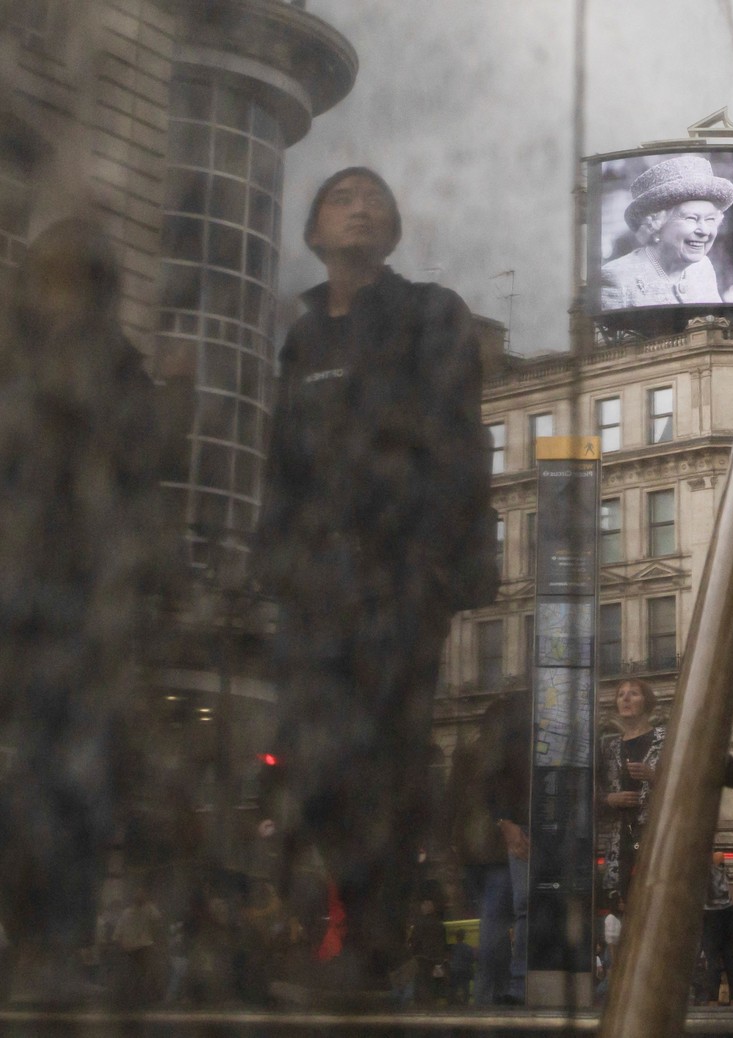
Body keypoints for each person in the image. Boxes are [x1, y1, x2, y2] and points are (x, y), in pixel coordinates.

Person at [257, 167, 491, 991]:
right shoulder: (302, 337)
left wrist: (445, 563)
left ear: (391, 231)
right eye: (341, 197)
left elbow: (460, 442)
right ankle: (361, 913)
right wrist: (272, 560)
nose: (359, 207)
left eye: (374, 199)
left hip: (398, 576)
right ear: (314, 230)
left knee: (387, 758)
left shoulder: (429, 313)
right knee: (311, 759)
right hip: (316, 584)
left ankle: (376, 933)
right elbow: (282, 463)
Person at [0, 220, 183, 1004]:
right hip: (26, 590)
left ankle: (50, 936)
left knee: (70, 778)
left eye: (80, 278)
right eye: (53, 276)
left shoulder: (119, 372)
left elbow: (141, 481)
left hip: (77, 603)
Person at [447, 698, 530, 1005]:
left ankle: (491, 994)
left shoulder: (467, 753)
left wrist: (449, 851)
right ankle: (491, 996)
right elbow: (494, 798)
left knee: (493, 922)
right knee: (500, 921)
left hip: (472, 853)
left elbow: (450, 804)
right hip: (495, 851)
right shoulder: (500, 755)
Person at [599, 154, 733, 310]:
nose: (705, 230)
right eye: (691, 218)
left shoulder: (703, 267)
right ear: (655, 224)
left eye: (710, 220)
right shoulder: (616, 279)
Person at [598, 679, 665, 905]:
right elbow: (592, 793)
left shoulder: (665, 739)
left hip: (655, 835)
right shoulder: (609, 747)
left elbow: (686, 785)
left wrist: (654, 776)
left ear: (647, 701)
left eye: (633, 694)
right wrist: (609, 799)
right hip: (620, 839)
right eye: (621, 695)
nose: (625, 698)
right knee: (623, 902)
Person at [701, 852, 733, 1005]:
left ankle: (713, 998)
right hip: (724, 910)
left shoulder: (709, 866)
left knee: (714, 957)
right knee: (729, 956)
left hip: (712, 912)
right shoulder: (718, 867)